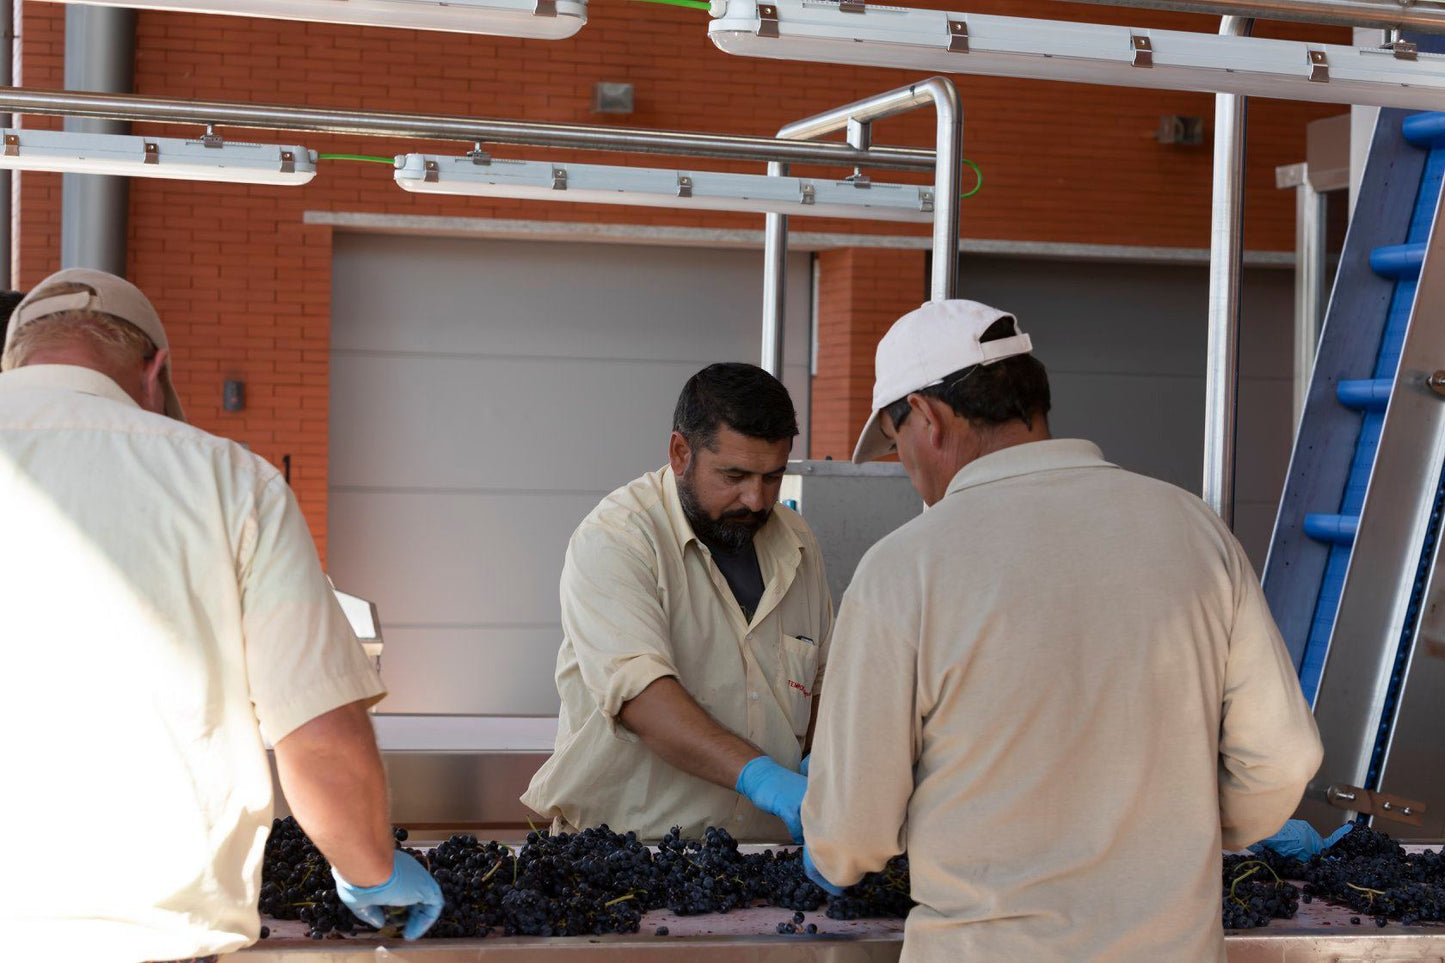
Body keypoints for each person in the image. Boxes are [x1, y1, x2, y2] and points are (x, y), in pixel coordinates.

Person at [799, 300, 1323, 961]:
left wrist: (832, 842)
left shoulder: (905, 567)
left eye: (896, 445)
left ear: (925, 418)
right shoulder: (1191, 529)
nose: (905, 467)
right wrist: (1185, 836)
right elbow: (1284, 757)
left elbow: (851, 833)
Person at [0, 268, 443, 962]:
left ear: (16, 360)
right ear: (156, 370)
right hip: (157, 938)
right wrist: (371, 871)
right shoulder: (230, 481)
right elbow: (317, 734)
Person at [523, 362, 832, 842]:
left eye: (772, 477)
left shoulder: (796, 542)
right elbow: (642, 699)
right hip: (630, 856)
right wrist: (762, 777)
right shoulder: (618, 538)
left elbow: (823, 682)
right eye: (734, 475)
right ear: (680, 452)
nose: (755, 500)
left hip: (762, 857)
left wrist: (823, 761)